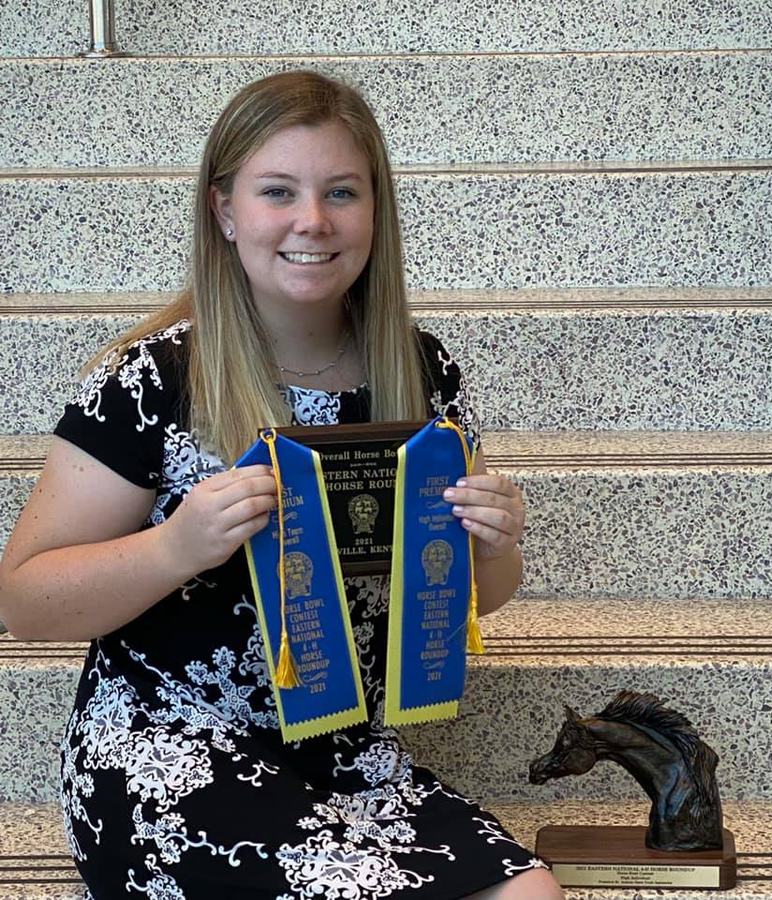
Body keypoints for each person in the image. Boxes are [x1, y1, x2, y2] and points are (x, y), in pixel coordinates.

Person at [0, 71, 563, 900]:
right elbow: (24, 602)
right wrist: (176, 546)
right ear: (225, 212)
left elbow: (480, 594)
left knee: (530, 893)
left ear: (375, 213)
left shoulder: (420, 371)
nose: (313, 221)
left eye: (342, 191)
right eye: (278, 192)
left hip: (344, 753)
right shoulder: (151, 379)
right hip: (167, 750)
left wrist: (495, 542)